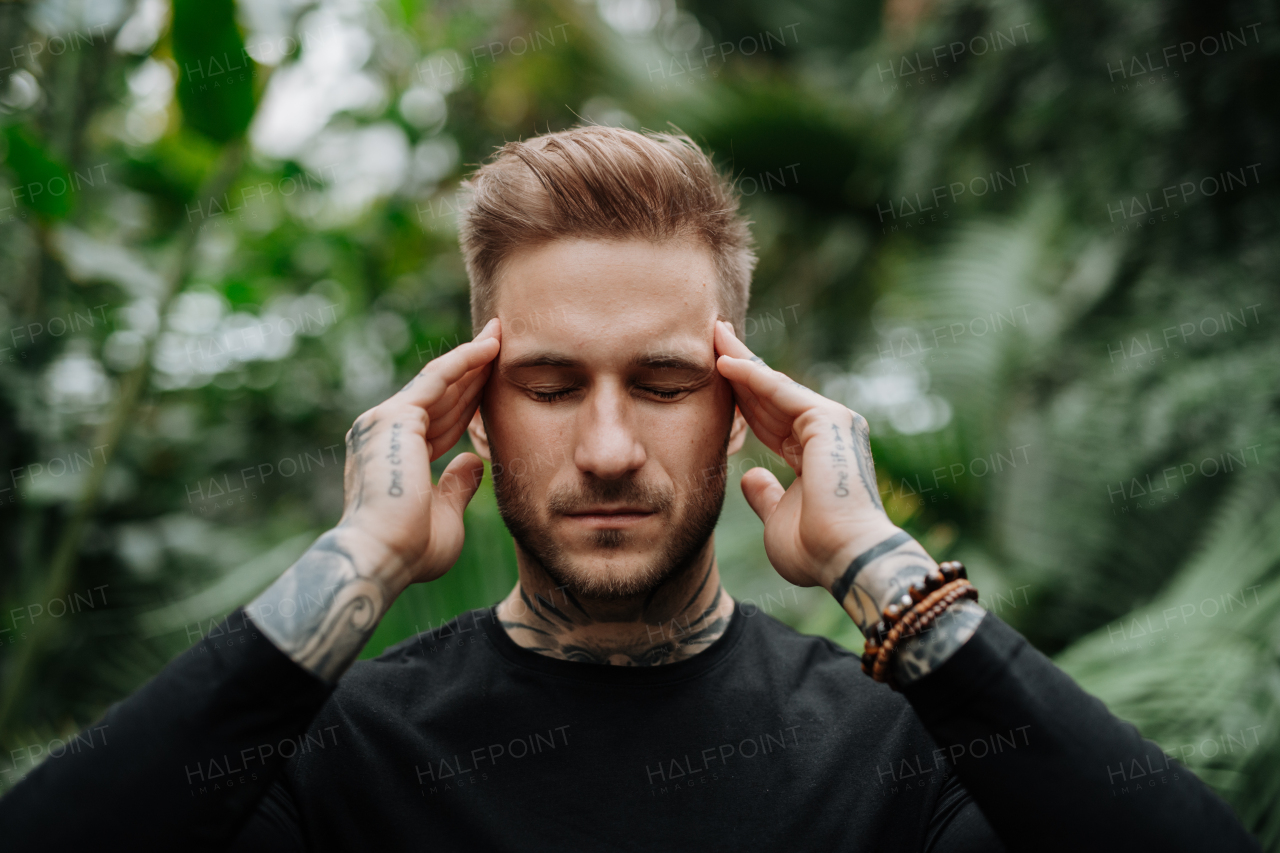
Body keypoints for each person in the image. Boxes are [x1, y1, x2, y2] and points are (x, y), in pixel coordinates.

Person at [0, 126, 1260, 852]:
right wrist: (354, 568)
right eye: (548, 384)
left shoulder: (895, 753)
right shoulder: (339, 753)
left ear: (744, 408)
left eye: (661, 381)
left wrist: (891, 575)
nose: (607, 446)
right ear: (473, 415)